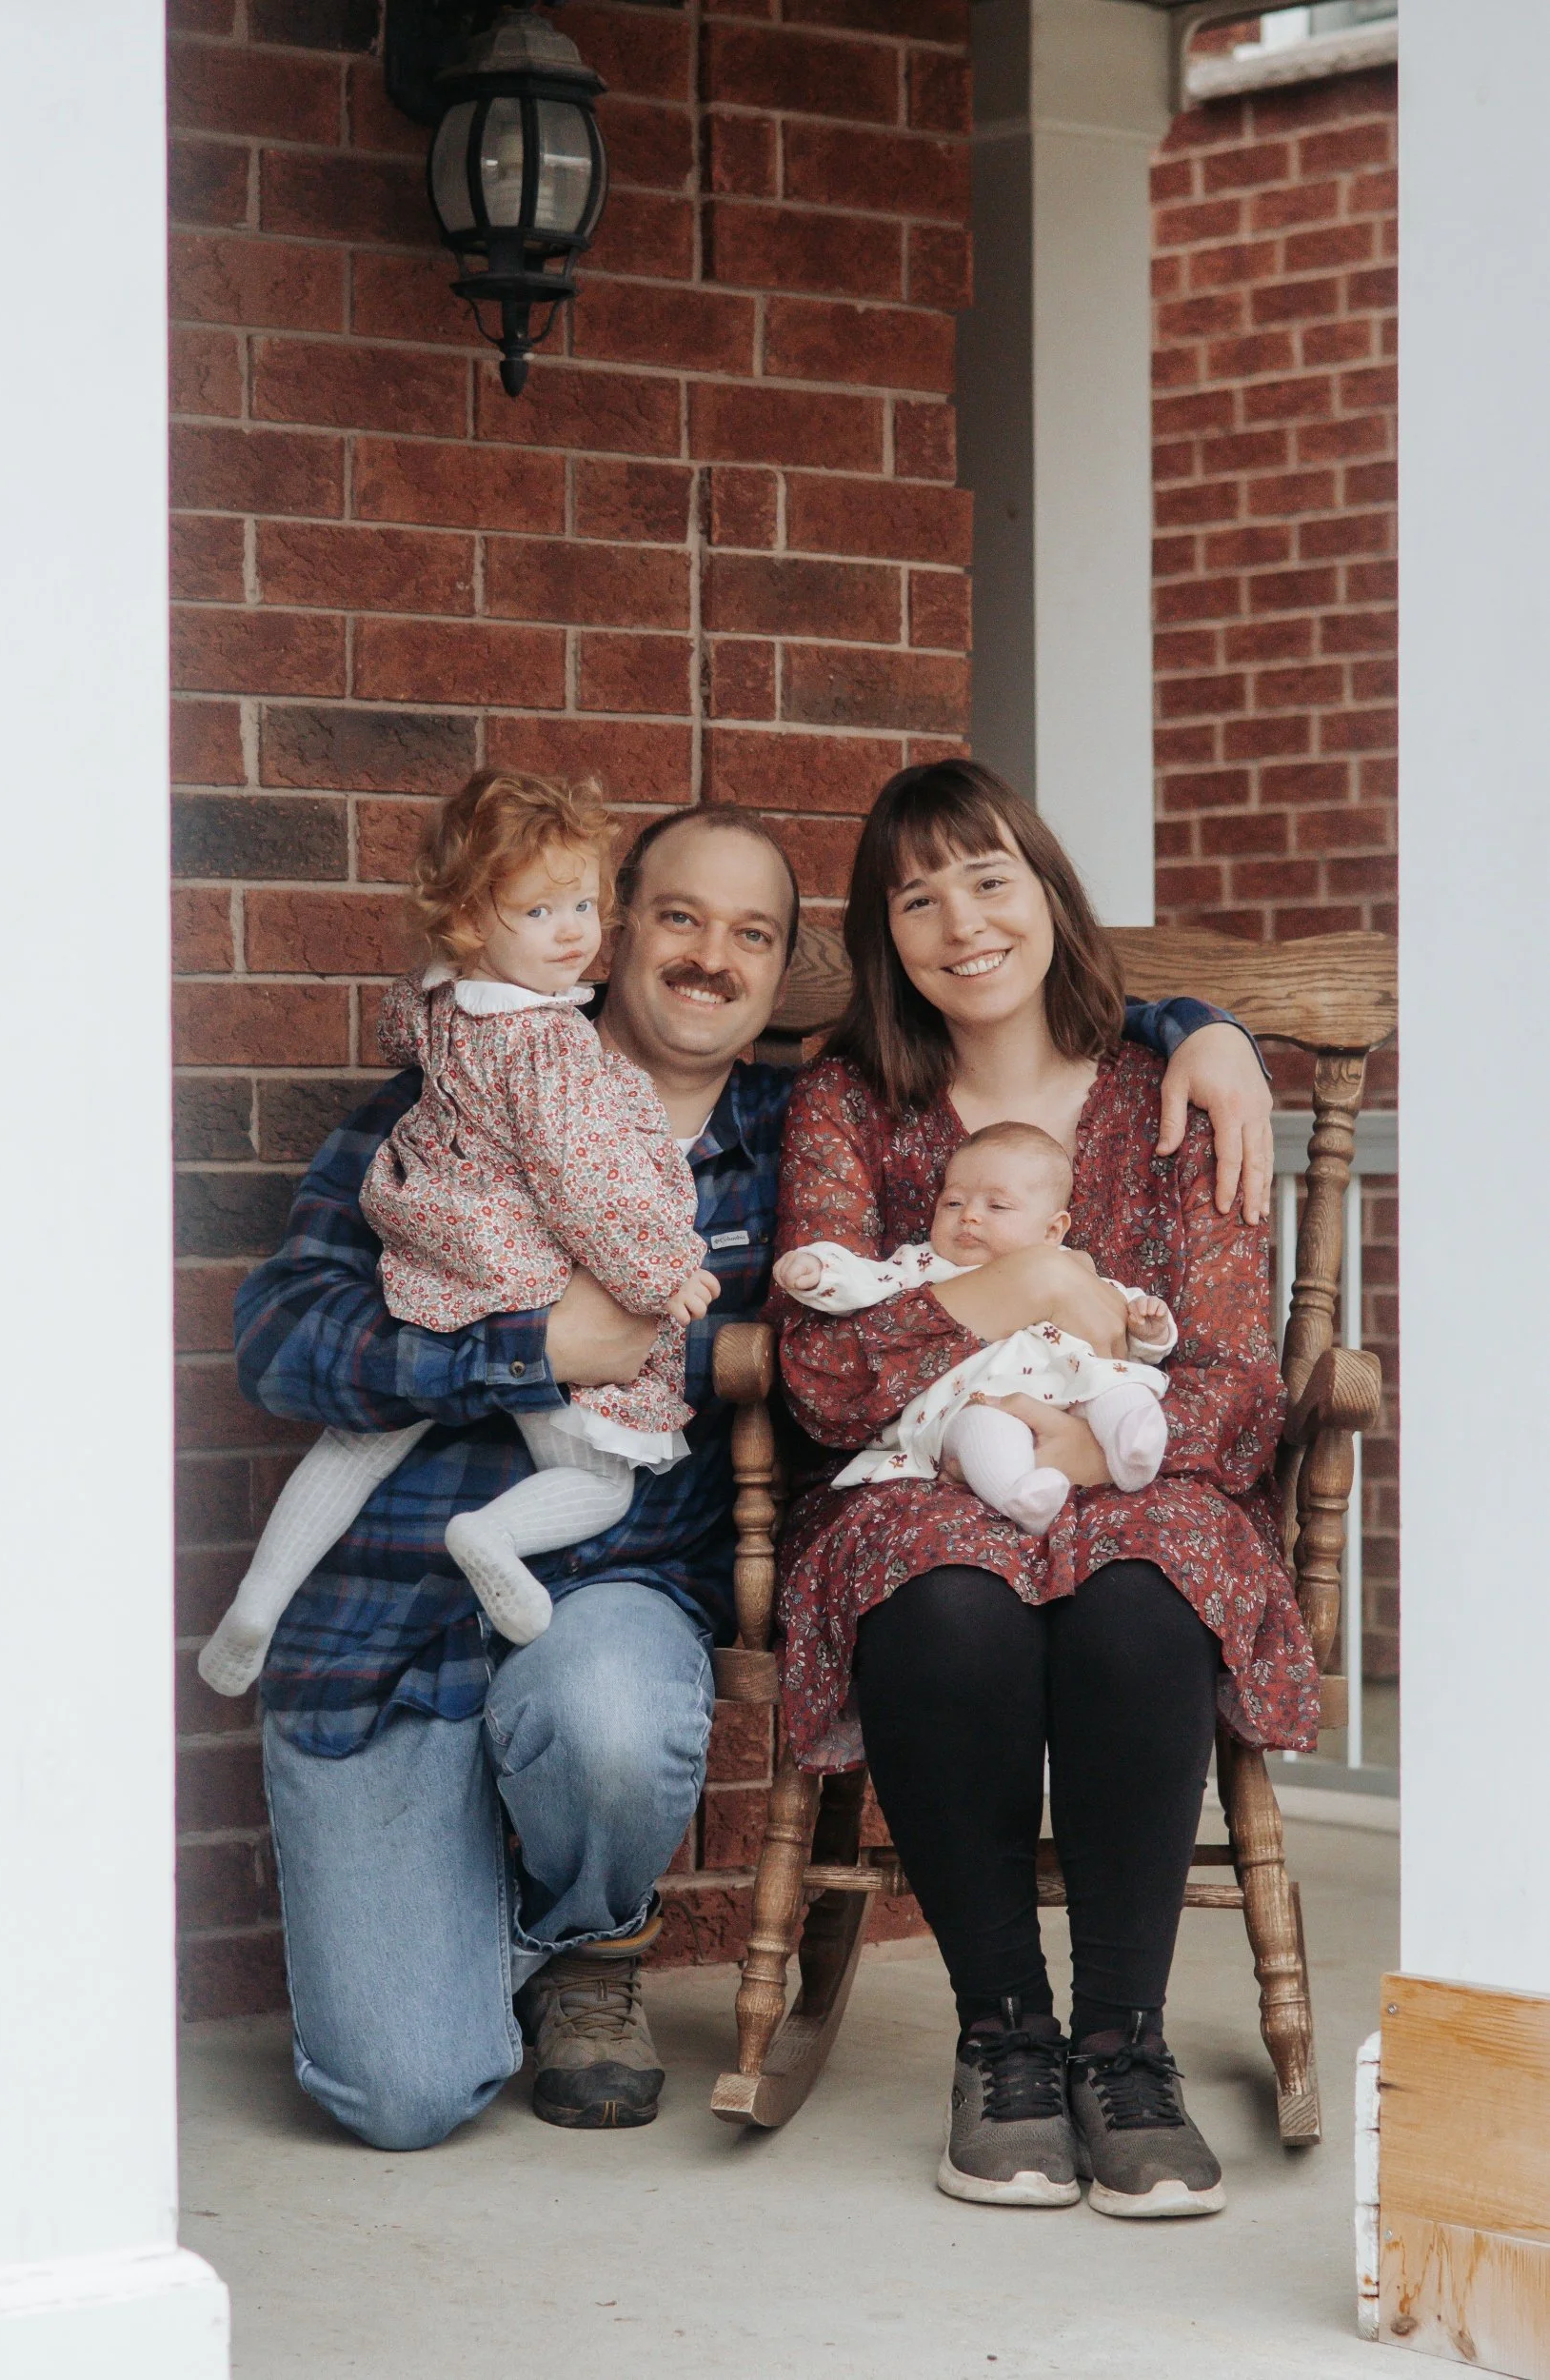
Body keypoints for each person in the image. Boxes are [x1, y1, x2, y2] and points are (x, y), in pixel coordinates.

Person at [229, 796, 1277, 2150]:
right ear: (609, 937)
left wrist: (1196, 1024)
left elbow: (1023, 1014)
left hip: (606, 1592)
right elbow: (277, 1340)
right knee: (400, 2092)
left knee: (613, 1719)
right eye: (676, 918)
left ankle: (590, 1942)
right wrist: (526, 1344)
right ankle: (520, 1951)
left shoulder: (786, 1126)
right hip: (387, 1618)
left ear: (785, 973)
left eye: (752, 935)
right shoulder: (446, 1109)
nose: (710, 958)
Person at [775, 760, 1316, 2220]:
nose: (960, 921)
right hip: (917, 1472)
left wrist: (1078, 1454)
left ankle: (1122, 2048)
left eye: (987, 878)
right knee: (942, 1605)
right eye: (916, 896)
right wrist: (1018, 1283)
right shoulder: (848, 1105)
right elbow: (825, 1382)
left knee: (1141, 1602)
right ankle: (1003, 2035)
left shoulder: (1167, 1093)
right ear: (884, 935)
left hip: (1135, 1465)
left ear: (1045, 891)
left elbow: (1229, 1379)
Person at [199, 774, 718, 1694]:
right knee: (600, 1477)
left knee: (361, 1439)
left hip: (436, 1255)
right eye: (540, 910)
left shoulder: (446, 1003)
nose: (573, 931)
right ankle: (493, 1536)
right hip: (524, 1271)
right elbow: (579, 1178)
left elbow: (400, 1023)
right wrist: (661, 1270)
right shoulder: (553, 1043)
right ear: (474, 925)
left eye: (586, 905)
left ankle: (257, 1602)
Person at [773, 1119, 1177, 1537]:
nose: (969, 1217)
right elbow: (864, 1280)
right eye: (952, 1204)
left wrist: (1150, 1333)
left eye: (996, 1207)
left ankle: (1134, 1449)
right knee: (983, 1428)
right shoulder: (924, 1265)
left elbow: (1124, 1339)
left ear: (1053, 1230)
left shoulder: (1077, 1271)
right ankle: (1022, 1494)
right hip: (971, 1404)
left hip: (1071, 1400)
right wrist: (819, 1269)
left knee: (1117, 1384)